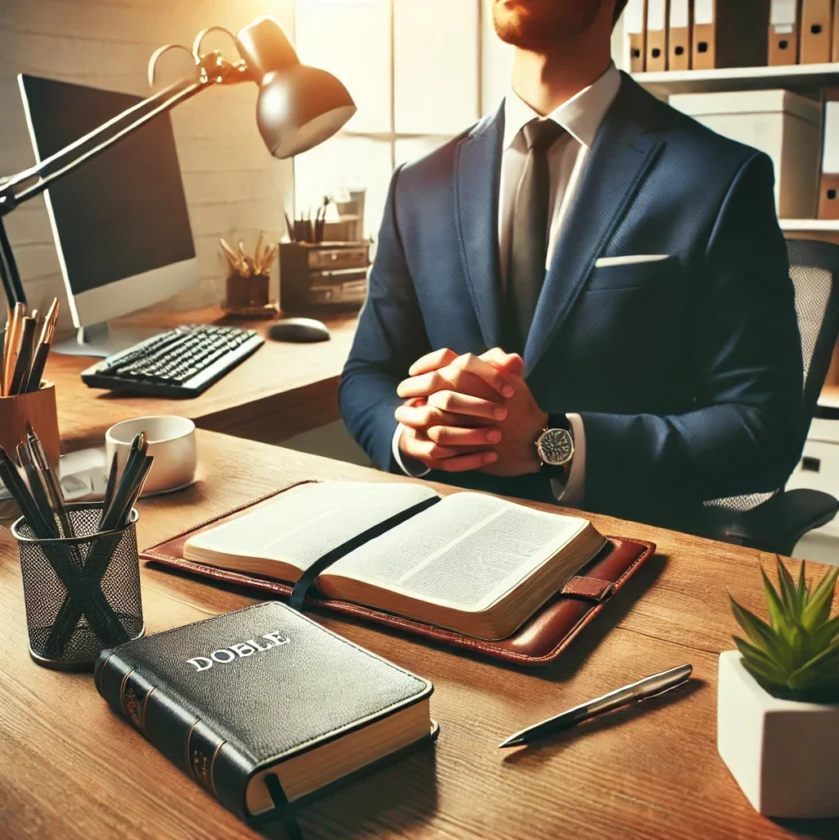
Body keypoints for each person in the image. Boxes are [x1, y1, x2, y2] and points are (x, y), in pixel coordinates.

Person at [339, 0, 804, 532]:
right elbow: (367, 374)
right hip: (443, 534)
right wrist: (409, 436)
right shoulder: (417, 184)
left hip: (624, 549)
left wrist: (553, 444)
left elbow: (764, 430)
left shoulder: (719, 178)